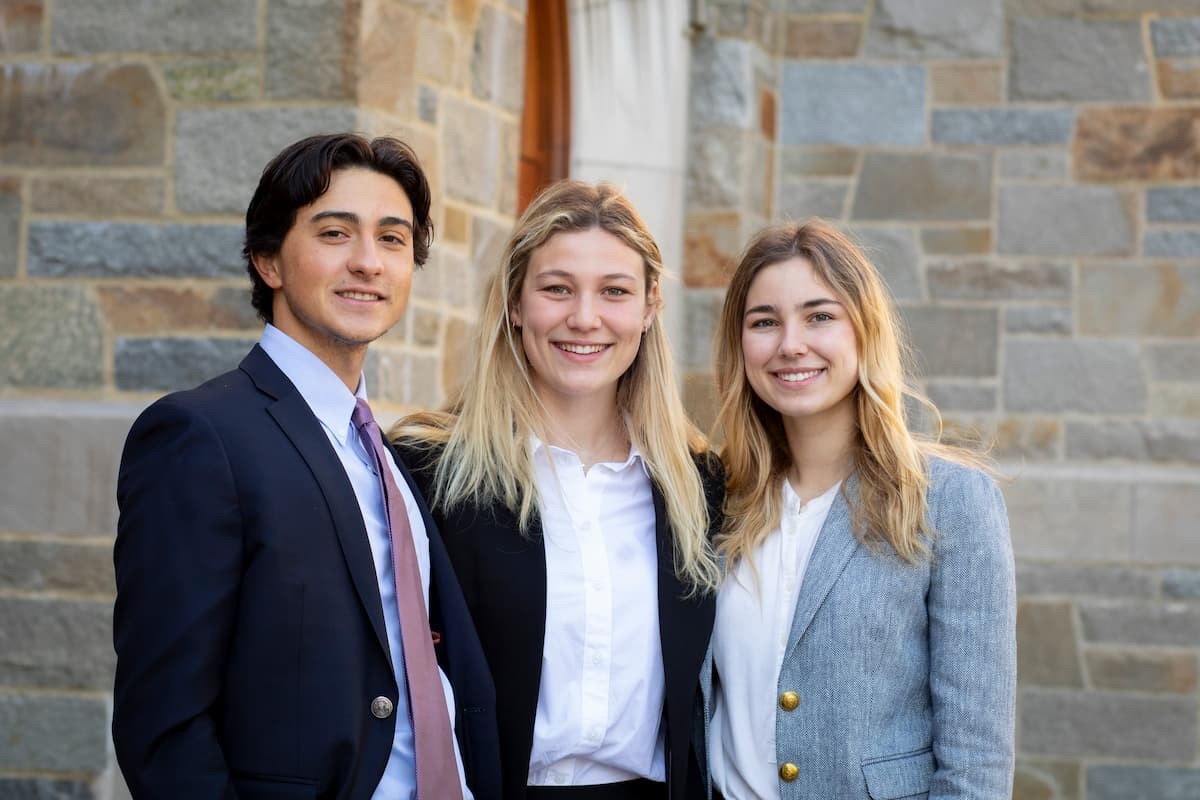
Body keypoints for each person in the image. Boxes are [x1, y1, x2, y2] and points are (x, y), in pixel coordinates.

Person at [112, 133, 500, 800]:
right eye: (334, 234)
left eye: (392, 239)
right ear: (268, 260)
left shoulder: (390, 456)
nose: (367, 263)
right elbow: (163, 723)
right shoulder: (201, 436)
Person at [391, 180, 723, 800]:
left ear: (650, 309)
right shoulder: (426, 473)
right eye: (557, 288)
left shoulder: (702, 489)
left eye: (615, 292)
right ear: (516, 303)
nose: (585, 318)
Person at [704, 220, 1016, 799]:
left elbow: (975, 761)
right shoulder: (716, 500)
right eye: (764, 322)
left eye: (820, 316)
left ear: (863, 331)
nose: (790, 344)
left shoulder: (950, 501)